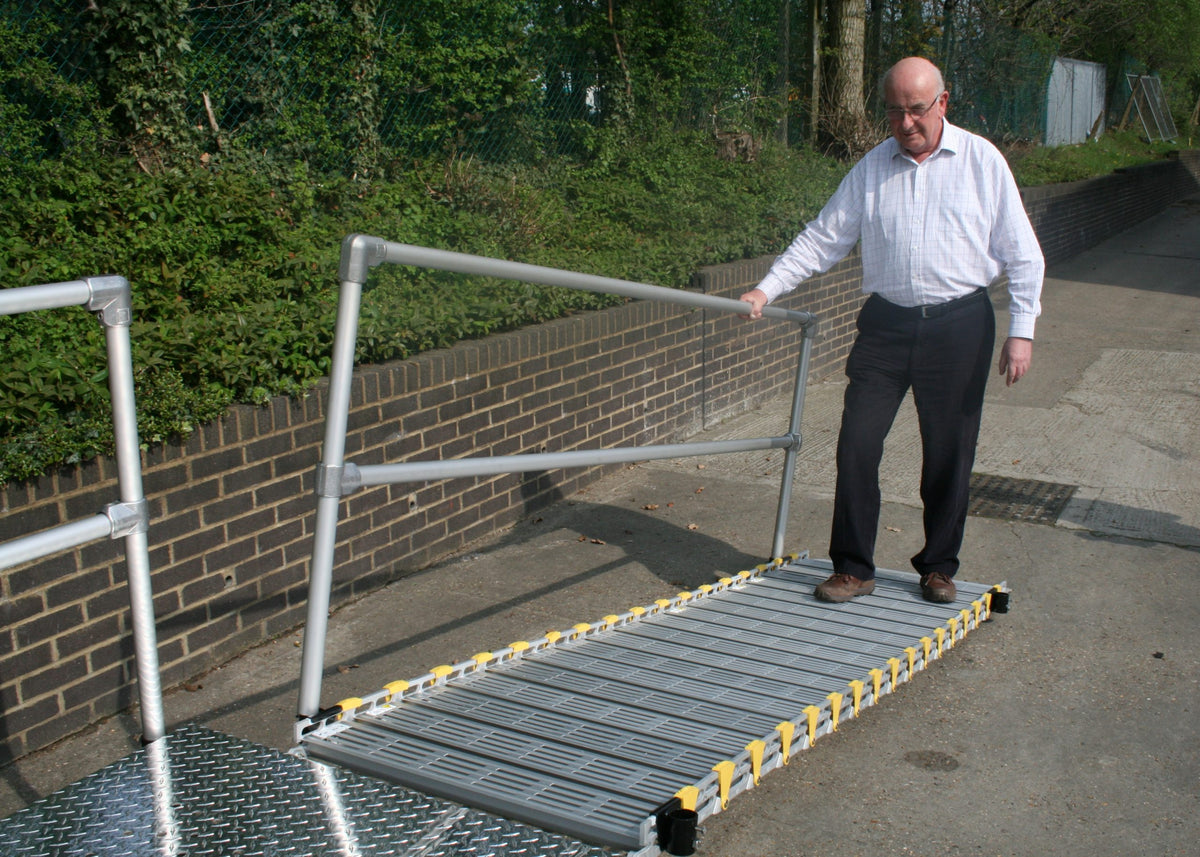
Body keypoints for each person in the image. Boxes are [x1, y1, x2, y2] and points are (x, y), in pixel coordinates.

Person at [740, 56, 1044, 604]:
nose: (906, 123)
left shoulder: (982, 161)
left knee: (948, 452)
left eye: (917, 110)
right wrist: (767, 288)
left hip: (960, 326)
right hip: (885, 327)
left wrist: (1021, 330)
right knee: (856, 444)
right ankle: (853, 567)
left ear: (943, 103)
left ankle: (938, 567)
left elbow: (1023, 254)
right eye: (895, 112)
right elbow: (821, 238)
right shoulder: (872, 168)